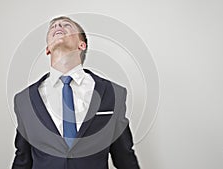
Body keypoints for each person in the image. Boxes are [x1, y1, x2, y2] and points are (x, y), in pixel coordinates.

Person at [12, 16, 140, 169]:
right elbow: (23, 160)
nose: (58, 25)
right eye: (53, 27)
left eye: (67, 25)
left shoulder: (113, 94)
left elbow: (124, 157)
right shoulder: (24, 100)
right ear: (48, 49)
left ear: (82, 45)